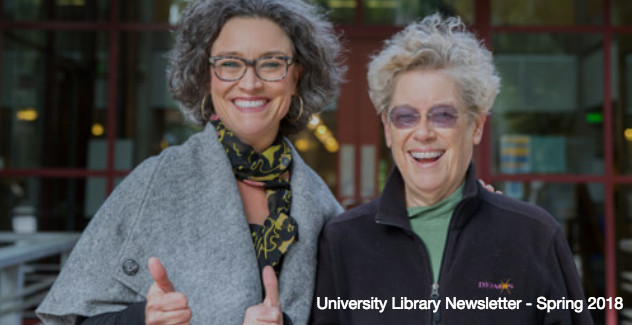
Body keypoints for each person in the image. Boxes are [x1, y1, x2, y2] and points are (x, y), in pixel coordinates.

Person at [36, 0, 345, 324]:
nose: (250, 82)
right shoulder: (155, 184)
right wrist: (141, 318)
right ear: (205, 77)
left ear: (296, 76)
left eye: (271, 64)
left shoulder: (323, 207)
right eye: (229, 63)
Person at [311, 14, 593, 325]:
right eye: (405, 116)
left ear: (476, 126)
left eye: (443, 115)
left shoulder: (534, 238)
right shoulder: (343, 243)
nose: (423, 132)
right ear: (388, 130)